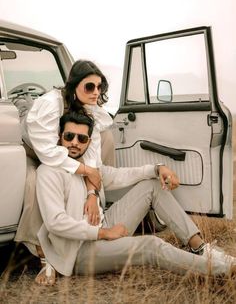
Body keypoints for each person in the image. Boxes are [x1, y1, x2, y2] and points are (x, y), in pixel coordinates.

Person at [35, 111, 236, 285]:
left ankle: (199, 247)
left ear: (89, 142)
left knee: (151, 185)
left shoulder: (89, 168)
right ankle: (223, 270)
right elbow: (55, 223)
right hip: (78, 251)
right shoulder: (49, 172)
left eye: (82, 139)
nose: (74, 143)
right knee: (150, 246)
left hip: (105, 225)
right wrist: (104, 233)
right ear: (60, 137)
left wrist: (157, 169)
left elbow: (121, 175)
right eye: (69, 136)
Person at [15, 60, 114, 256]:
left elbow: (92, 150)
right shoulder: (50, 104)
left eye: (99, 87)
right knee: (34, 181)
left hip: (63, 150)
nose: (95, 92)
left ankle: (85, 222)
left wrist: (92, 192)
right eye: (89, 86)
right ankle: (38, 246)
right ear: (74, 85)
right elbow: (48, 152)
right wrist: (86, 170)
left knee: (84, 172)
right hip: (32, 150)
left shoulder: (89, 107)